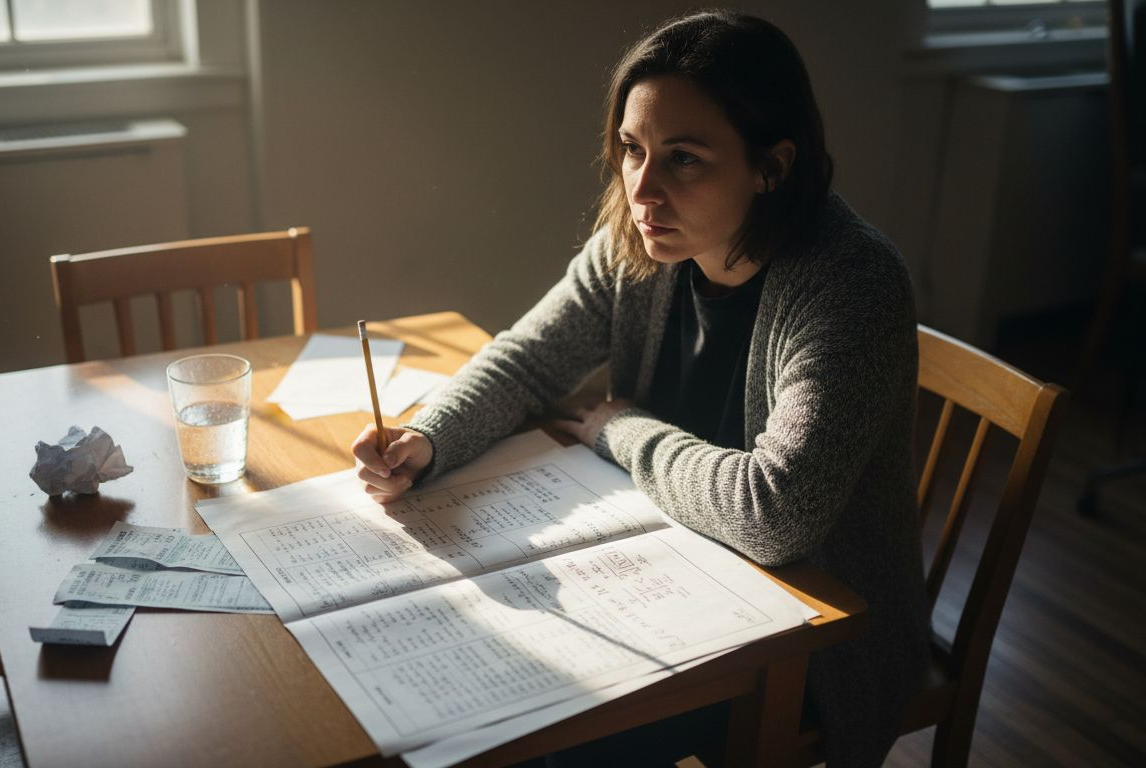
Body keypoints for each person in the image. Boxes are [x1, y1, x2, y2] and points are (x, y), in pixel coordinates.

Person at [351, 10, 928, 768]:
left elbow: (773, 515)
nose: (642, 189)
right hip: (667, 574)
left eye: (684, 158)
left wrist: (621, 431)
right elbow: (528, 360)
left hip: (812, 641)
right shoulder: (638, 242)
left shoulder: (849, 282)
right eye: (631, 149)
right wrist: (430, 438)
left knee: (551, 734)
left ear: (772, 166)